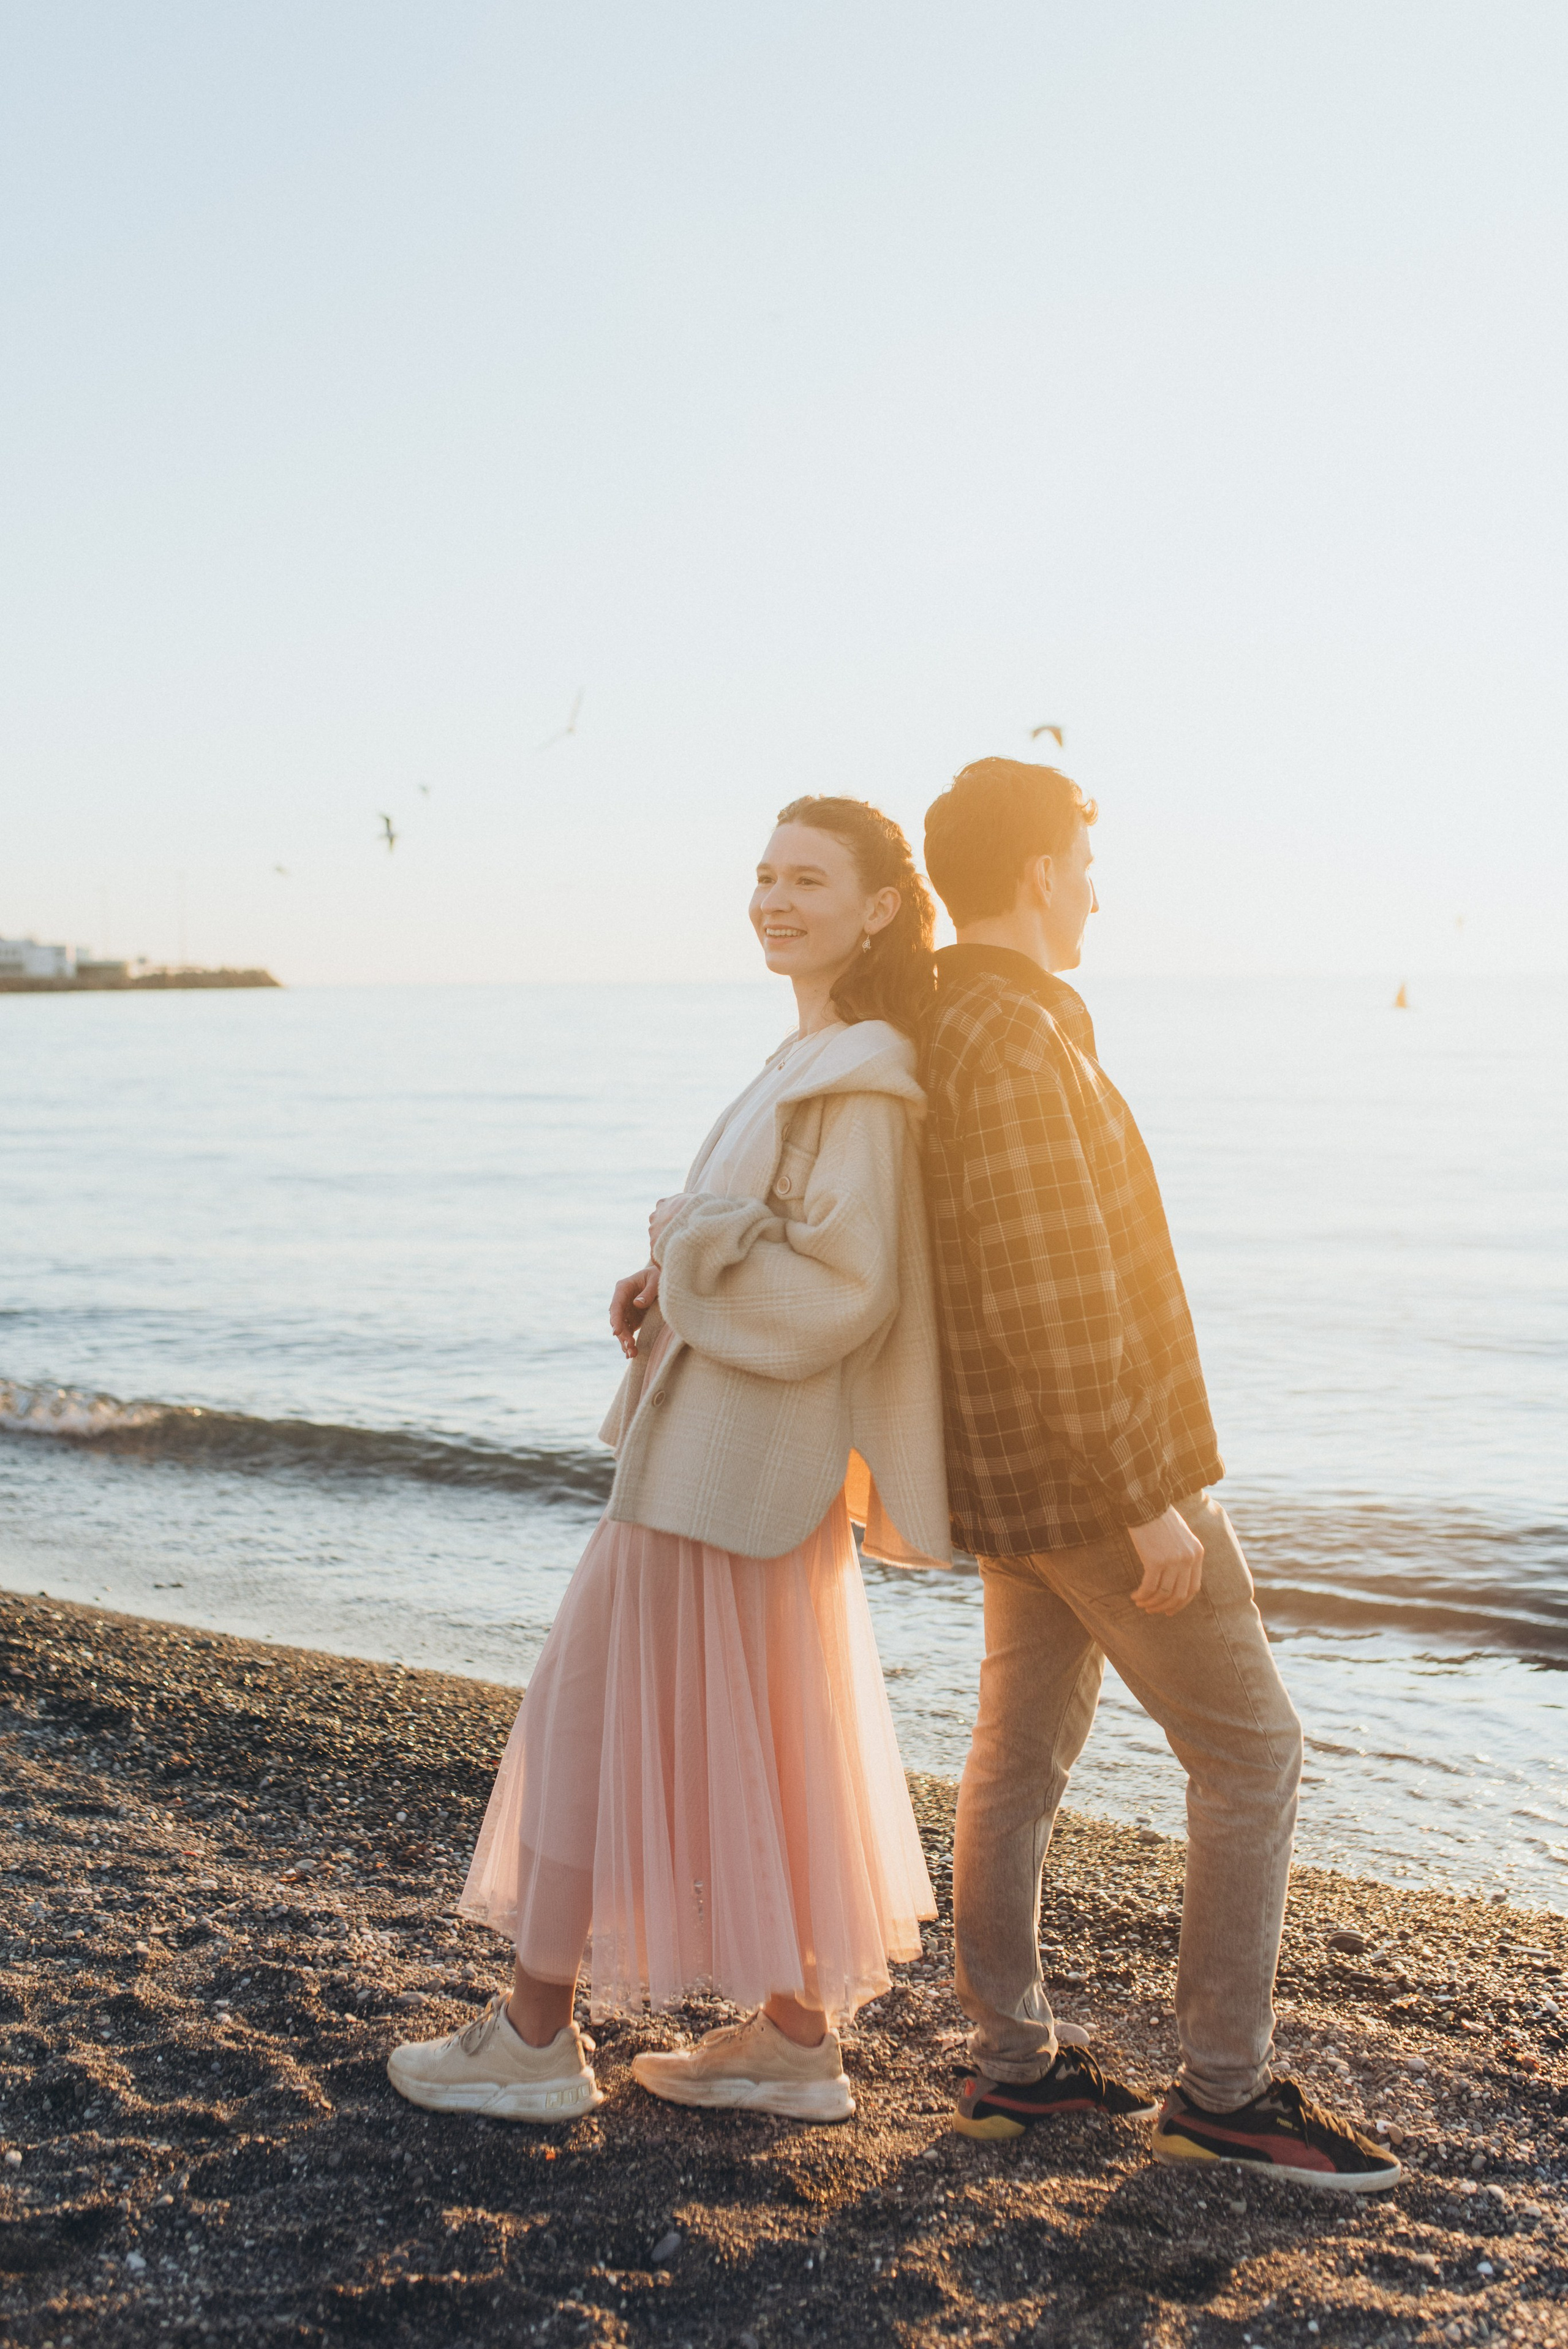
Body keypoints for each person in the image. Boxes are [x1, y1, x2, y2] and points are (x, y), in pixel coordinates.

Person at [387, 797, 951, 2126]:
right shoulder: (805, 1059)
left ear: (878, 905)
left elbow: (845, 1286)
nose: (773, 897)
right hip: (735, 1457)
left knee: (584, 1709)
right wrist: (674, 1271)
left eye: (807, 878)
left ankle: (535, 2037)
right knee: (774, 1728)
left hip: (732, 1464)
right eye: (762, 873)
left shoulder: (857, 1079)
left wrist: (690, 1240)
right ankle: (794, 2041)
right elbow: (775, 1249)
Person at [919, 757, 1400, 2193]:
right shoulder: (1009, 1041)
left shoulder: (956, 1025)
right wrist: (1145, 1494)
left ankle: (1015, 2068)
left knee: (1015, 1757)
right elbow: (1049, 1296)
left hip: (1019, 1474)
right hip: (1090, 1478)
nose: (1093, 887)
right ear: (1031, 875)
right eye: (1080, 858)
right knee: (1252, 1751)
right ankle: (1223, 2090)